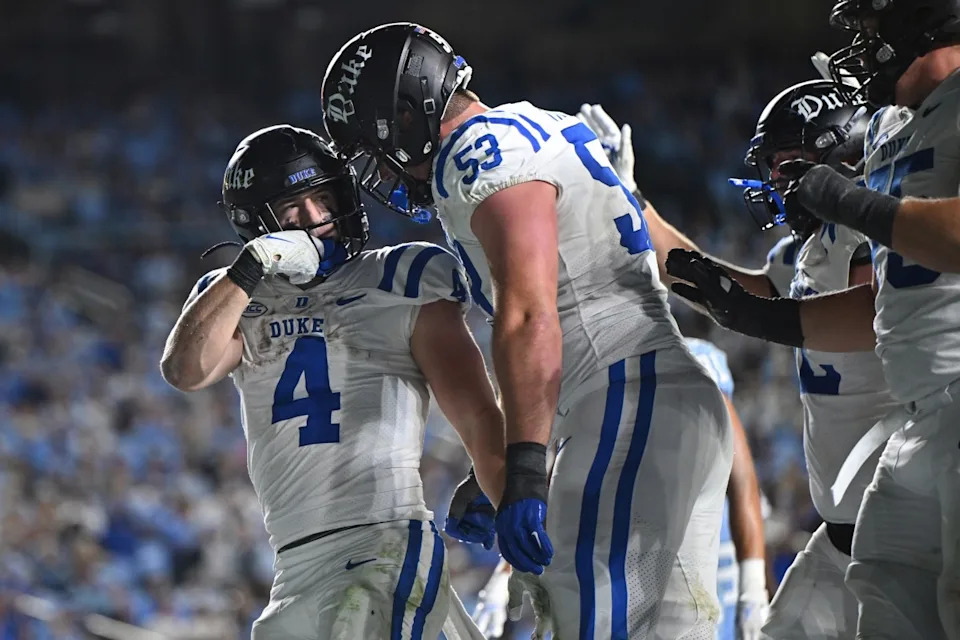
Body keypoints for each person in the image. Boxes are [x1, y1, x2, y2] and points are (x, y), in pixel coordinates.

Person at [322, 22, 732, 639]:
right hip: (657, 400)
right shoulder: (539, 124)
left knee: (580, 621)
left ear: (406, 115)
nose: (375, 169)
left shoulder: (476, 152)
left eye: (369, 144)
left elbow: (529, 312)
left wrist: (524, 468)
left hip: (625, 400)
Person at [667, 3, 960, 636]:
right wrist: (623, 209)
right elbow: (868, 310)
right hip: (890, 465)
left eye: (873, 24)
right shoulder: (888, 141)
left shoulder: (858, 214)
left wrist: (836, 197)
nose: (862, 43)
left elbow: (932, 254)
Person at [160, 124, 499, 640]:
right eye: (292, 210)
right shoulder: (236, 296)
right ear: (258, 224)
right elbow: (184, 369)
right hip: (293, 563)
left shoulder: (402, 275)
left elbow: (475, 412)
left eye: (323, 197)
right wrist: (253, 266)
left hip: (382, 541)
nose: (316, 219)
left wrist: (503, 479)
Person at [579, 86, 887, 639]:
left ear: (845, 155)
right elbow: (717, 285)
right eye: (771, 168)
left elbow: (870, 316)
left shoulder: (876, 233)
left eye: (788, 165)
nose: (776, 183)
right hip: (840, 534)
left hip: (896, 526)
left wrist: (756, 315)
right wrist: (629, 201)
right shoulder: (807, 250)